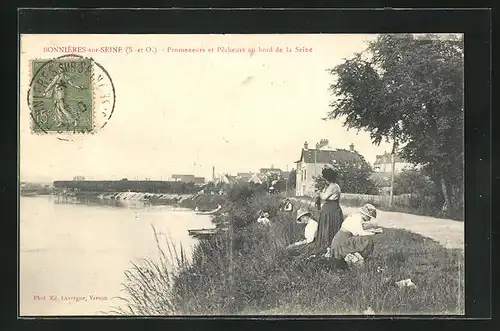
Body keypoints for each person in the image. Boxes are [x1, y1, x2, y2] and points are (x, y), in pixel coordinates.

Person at [314, 168, 344, 252]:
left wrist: (319, 193)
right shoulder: (335, 186)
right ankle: (330, 244)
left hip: (330, 207)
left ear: (327, 178)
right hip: (334, 207)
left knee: (328, 224)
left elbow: (324, 197)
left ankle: (327, 244)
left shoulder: (332, 187)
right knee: (331, 224)